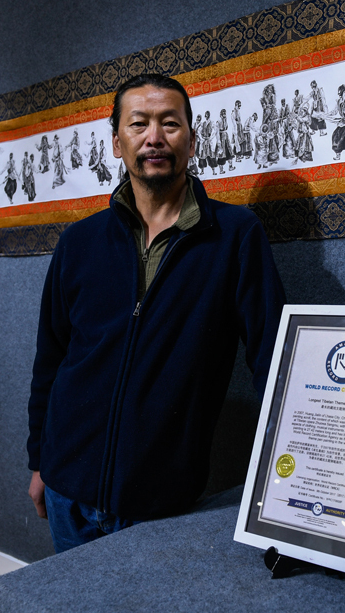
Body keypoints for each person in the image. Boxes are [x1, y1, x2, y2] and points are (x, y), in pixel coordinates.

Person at [26, 74, 286, 554]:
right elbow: (51, 359)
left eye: (170, 123)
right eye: (138, 124)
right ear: (116, 143)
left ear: (191, 139)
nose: (154, 137)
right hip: (68, 489)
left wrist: (295, 468)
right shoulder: (79, 242)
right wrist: (39, 460)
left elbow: (274, 360)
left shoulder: (234, 235)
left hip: (164, 501)